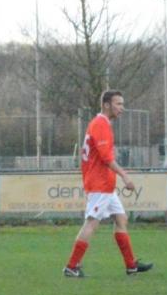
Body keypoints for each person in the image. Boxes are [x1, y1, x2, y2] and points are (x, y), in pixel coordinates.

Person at [63, 90, 153, 277]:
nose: (122, 108)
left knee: (121, 219)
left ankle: (131, 265)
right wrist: (124, 175)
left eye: (122, 104)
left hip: (105, 184)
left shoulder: (101, 124)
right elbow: (105, 158)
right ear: (106, 104)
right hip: (99, 184)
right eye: (118, 104)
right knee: (92, 223)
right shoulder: (100, 124)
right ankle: (71, 266)